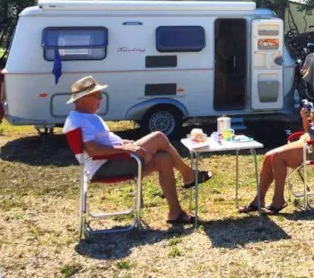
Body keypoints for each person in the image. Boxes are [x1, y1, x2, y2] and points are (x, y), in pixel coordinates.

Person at [63, 75, 212, 225]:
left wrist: (123, 142)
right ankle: (188, 174)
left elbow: (104, 140)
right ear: (83, 99)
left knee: (164, 159)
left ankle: (175, 213)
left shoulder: (88, 117)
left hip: (116, 161)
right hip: (105, 166)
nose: (101, 99)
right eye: (97, 95)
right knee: (159, 136)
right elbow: (93, 150)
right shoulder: (78, 120)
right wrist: (125, 147)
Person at [239, 82, 314, 214]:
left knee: (277, 157)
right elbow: (309, 129)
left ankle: (278, 201)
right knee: (268, 156)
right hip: (307, 140)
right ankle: (258, 200)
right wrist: (305, 119)